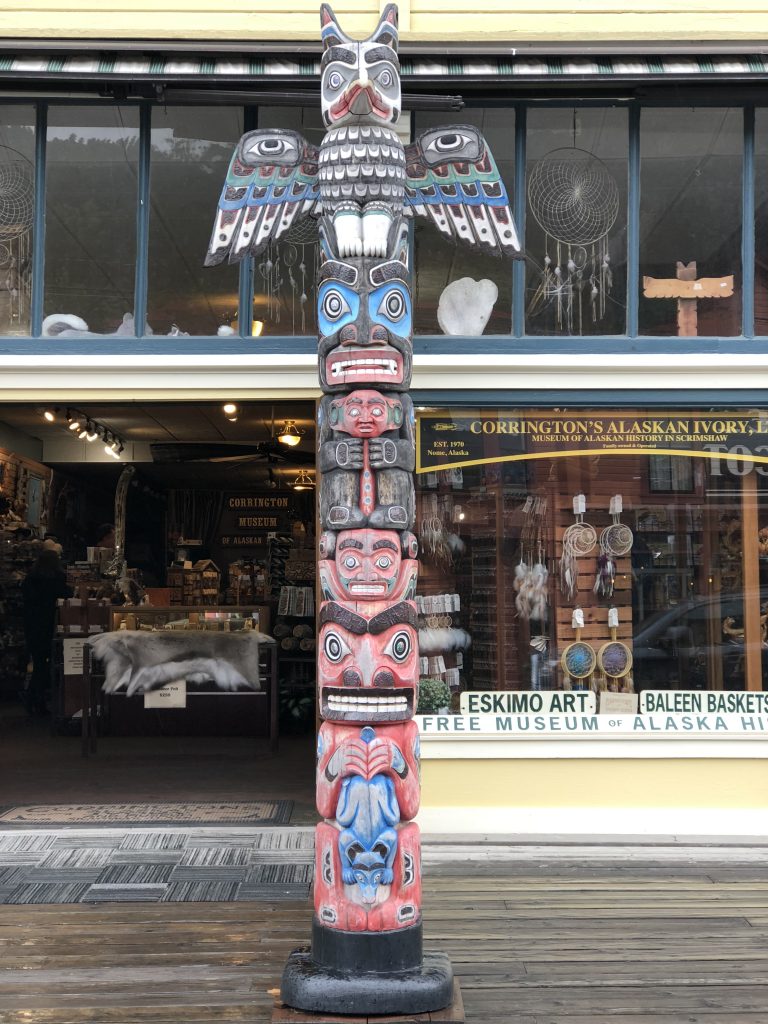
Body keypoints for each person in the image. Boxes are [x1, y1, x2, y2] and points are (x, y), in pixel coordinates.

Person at [21, 549, 72, 715]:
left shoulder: (30, 580)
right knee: (49, 664)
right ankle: (38, 699)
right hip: (50, 626)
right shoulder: (57, 579)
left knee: (39, 663)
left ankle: (34, 699)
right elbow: (66, 595)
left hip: (33, 627)